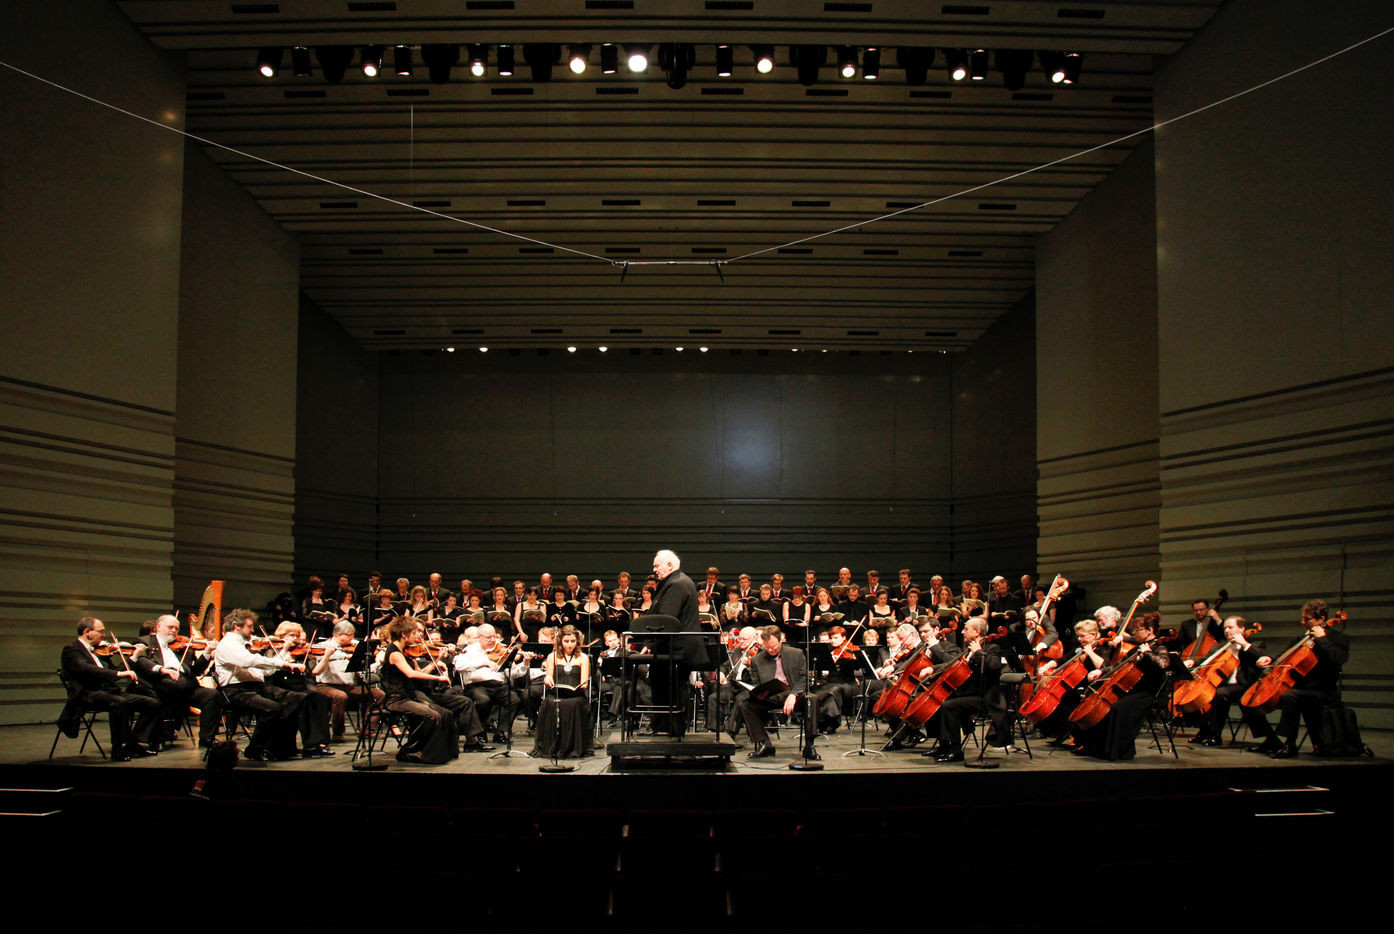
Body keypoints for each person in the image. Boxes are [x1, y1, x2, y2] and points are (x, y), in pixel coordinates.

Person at [213, 607, 319, 762]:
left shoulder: (245, 644)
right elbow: (247, 661)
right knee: (272, 708)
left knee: (298, 699)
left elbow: (267, 672)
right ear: (237, 626)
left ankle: (289, 747)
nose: (253, 630)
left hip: (256, 688)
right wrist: (281, 663)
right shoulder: (228, 644)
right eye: (249, 626)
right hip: (236, 691)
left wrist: (283, 654)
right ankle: (255, 749)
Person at [60, 616, 162, 760]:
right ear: (87, 632)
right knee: (119, 702)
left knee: (153, 704)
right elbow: (87, 670)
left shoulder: (100, 651)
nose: (104, 635)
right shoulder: (71, 650)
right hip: (87, 693)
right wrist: (119, 674)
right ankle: (117, 749)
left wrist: (134, 657)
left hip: (108, 692)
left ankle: (132, 744)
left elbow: (115, 671)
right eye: (100, 631)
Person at [1258, 599, 1350, 759]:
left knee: (1289, 696)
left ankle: (1290, 744)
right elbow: (1284, 656)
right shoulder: (1301, 639)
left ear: (1321, 620)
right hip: (1300, 689)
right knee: (1264, 696)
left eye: (1307, 619)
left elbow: (1339, 658)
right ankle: (1274, 740)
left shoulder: (1338, 638)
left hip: (1323, 691)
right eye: (1302, 618)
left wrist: (1322, 639)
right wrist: (1270, 659)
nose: (1302, 622)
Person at [132, 613, 222, 748]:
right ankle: (157, 734)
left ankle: (206, 738)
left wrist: (207, 652)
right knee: (171, 685)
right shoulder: (145, 641)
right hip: (160, 684)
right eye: (170, 627)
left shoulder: (181, 647)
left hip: (183, 687)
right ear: (158, 627)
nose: (174, 631)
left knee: (212, 695)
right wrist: (162, 669)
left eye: (176, 628)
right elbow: (142, 661)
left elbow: (195, 670)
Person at [378, 616, 458, 764]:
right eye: (414, 633)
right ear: (404, 634)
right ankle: (410, 750)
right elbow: (411, 674)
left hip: (408, 697)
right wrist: (438, 678)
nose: (418, 636)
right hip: (397, 700)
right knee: (432, 715)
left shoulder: (405, 652)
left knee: (446, 714)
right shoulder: (394, 653)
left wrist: (436, 661)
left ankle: (446, 752)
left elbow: (420, 673)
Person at [1188, 616, 1275, 749]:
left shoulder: (1255, 645)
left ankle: (1215, 735)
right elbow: (1205, 659)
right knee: (1200, 693)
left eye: (1230, 627)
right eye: (1225, 628)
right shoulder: (1219, 647)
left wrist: (1244, 644)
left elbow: (1262, 656)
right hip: (1224, 686)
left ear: (1242, 629)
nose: (1227, 631)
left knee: (1220, 694)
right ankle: (1204, 730)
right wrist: (1192, 661)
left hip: (1245, 686)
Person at [929, 618, 1007, 762]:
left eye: (966, 629)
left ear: (977, 632)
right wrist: (933, 669)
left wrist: (978, 652)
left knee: (949, 706)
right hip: (968, 693)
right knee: (937, 700)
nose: (962, 632)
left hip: (985, 697)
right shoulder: (968, 648)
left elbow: (994, 666)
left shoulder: (991, 648)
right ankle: (944, 746)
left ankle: (955, 751)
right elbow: (954, 664)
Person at [648, 548, 705, 737]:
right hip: (676, 647)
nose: (654, 569)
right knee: (669, 688)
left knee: (669, 688)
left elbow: (666, 620)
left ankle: (670, 729)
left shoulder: (676, 584)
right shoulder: (679, 581)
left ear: (670, 565)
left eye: (657, 565)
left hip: (675, 649)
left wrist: (650, 644)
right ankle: (665, 728)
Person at [736, 625, 808, 758]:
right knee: (745, 705)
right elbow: (756, 683)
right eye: (767, 647)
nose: (770, 650)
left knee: (812, 699)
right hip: (771, 696)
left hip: (793, 694)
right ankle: (765, 743)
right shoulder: (757, 659)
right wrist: (757, 692)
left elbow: (805, 677)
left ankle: (810, 745)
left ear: (781, 640)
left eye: (773, 646)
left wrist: (793, 694)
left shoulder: (796, 653)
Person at [311, 621, 383, 743]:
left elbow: (361, 670)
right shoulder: (323, 647)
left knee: (378, 694)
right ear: (339, 635)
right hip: (326, 685)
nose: (352, 638)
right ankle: (338, 733)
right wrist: (328, 655)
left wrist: (378, 663)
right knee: (340, 696)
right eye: (349, 635)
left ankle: (369, 729)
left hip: (348, 687)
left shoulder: (352, 648)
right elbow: (318, 670)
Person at [454, 623, 524, 743]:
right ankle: (480, 732)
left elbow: (513, 673)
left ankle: (501, 732)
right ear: (479, 637)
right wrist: (482, 663)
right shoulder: (469, 650)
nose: (492, 640)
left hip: (498, 685)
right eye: (488, 637)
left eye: (494, 636)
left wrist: (525, 662)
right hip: (476, 685)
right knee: (483, 700)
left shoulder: (501, 649)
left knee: (514, 699)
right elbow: (459, 666)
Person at [534, 624, 593, 758]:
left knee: (573, 704)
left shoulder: (583, 657)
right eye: (566, 641)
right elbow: (548, 676)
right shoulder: (552, 656)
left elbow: (584, 682)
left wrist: (581, 686)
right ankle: (553, 745)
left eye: (573, 641)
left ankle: (572, 746)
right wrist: (548, 679)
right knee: (551, 702)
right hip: (556, 692)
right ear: (560, 641)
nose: (569, 645)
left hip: (575, 695)